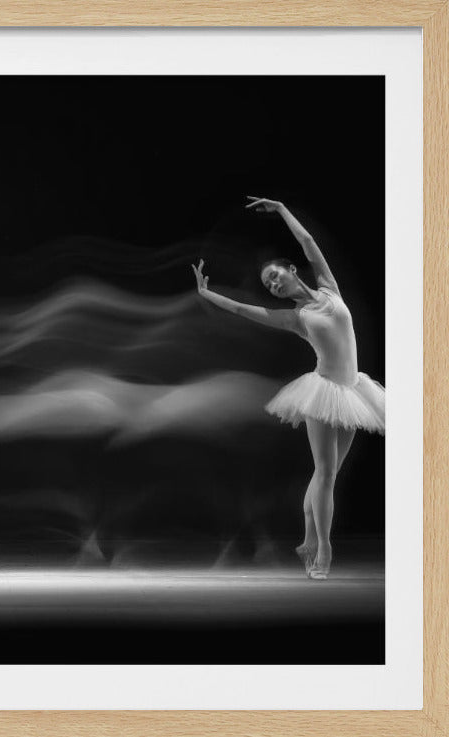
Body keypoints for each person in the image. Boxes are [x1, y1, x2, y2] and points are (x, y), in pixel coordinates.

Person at [192, 197, 384, 580]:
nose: (273, 286)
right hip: (323, 391)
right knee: (326, 474)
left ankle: (308, 538)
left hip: (354, 391)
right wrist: (206, 293)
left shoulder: (330, 289)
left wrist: (281, 209)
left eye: (275, 277)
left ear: (291, 270)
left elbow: (309, 242)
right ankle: (323, 551)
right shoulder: (295, 318)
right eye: (268, 285)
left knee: (326, 473)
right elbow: (244, 311)